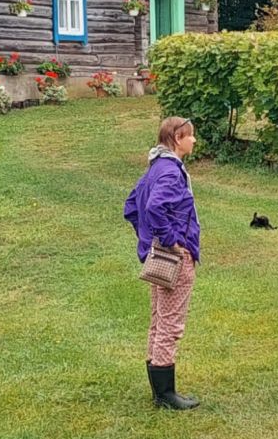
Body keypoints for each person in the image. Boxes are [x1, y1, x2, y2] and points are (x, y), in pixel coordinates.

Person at [123, 116, 202, 410]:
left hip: (158, 256)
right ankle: (166, 395)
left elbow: (132, 207)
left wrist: (148, 241)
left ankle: (160, 391)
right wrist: (170, 241)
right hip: (174, 258)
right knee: (170, 323)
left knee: (159, 320)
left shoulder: (155, 167)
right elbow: (154, 207)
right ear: (177, 138)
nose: (194, 140)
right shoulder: (170, 171)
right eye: (190, 135)